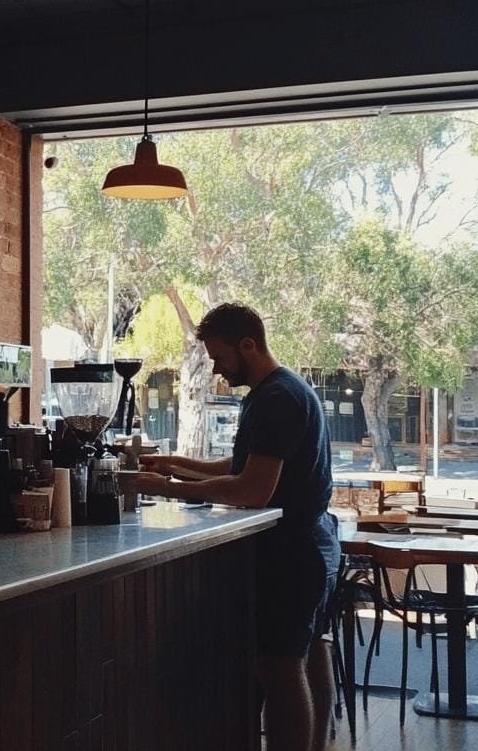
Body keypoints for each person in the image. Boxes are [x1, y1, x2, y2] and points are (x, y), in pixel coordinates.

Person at [136, 303, 340, 751]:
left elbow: (252, 490)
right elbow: (245, 465)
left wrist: (166, 488)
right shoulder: (283, 389)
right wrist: (175, 465)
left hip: (292, 551)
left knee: (279, 668)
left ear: (248, 345)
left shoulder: (276, 398)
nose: (215, 369)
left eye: (219, 357)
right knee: (308, 655)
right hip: (315, 541)